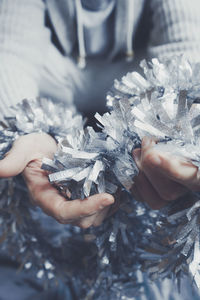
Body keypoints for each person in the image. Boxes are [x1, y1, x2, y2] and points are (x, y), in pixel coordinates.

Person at [0, 0, 200, 299]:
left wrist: (179, 125)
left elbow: (183, 46)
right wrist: (25, 126)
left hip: (138, 102)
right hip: (51, 95)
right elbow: (10, 48)